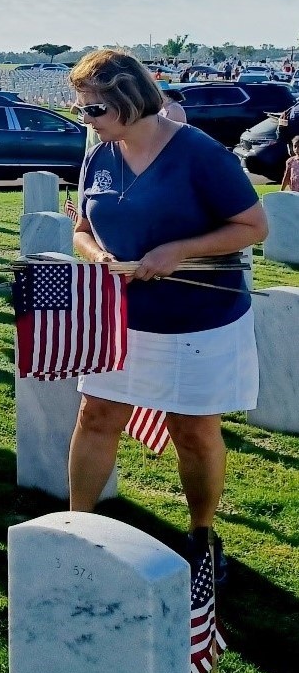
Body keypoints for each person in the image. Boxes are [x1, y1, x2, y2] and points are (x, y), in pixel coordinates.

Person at [67, 50, 267, 584]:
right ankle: (76, 527)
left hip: (199, 318)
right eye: (82, 109)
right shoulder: (99, 155)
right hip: (121, 315)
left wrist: (178, 250)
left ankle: (202, 534)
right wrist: (98, 256)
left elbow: (253, 226)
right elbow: (82, 229)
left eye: (93, 109)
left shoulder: (200, 153)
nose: (86, 119)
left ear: (129, 100)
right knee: (95, 415)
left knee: (193, 430)